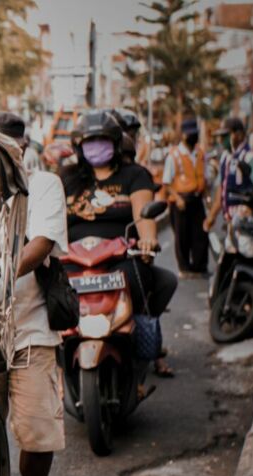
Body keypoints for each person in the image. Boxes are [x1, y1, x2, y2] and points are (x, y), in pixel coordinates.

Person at [0, 111, 69, 476]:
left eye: (8, 146)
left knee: (38, 431)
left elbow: (40, 244)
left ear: (21, 148)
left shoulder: (44, 185)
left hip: (31, 325)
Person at [61, 111, 178, 380]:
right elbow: (52, 219)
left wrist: (148, 240)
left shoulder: (134, 175)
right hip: (74, 260)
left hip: (119, 258)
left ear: (115, 142)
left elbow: (143, 214)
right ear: (79, 147)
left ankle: (136, 361)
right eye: (90, 141)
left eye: (102, 139)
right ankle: (58, 371)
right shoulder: (66, 178)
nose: (96, 146)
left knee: (158, 281)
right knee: (51, 300)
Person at [162, 118, 209, 276]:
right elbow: (166, 183)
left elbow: (205, 177)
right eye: (190, 134)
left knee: (200, 234)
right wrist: (178, 198)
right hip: (181, 200)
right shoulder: (174, 155)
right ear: (183, 135)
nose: (193, 136)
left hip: (197, 198)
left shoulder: (200, 154)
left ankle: (199, 266)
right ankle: (184, 268)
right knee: (182, 236)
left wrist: (207, 197)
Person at [206, 116, 253, 234]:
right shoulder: (226, 157)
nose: (221, 140)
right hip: (230, 221)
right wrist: (212, 215)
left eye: (226, 135)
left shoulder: (248, 157)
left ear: (239, 134)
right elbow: (222, 188)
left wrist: (249, 208)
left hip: (246, 222)